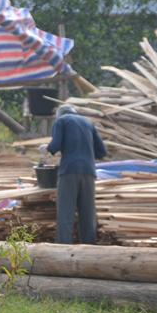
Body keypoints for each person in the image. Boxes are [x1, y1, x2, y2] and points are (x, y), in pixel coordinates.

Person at [40, 104, 107, 244]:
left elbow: (56, 145)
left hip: (69, 171)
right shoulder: (88, 123)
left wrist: (46, 148)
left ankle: (62, 249)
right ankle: (89, 248)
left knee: (66, 214)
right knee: (87, 214)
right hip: (89, 172)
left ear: (59, 114)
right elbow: (102, 152)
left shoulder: (61, 121)